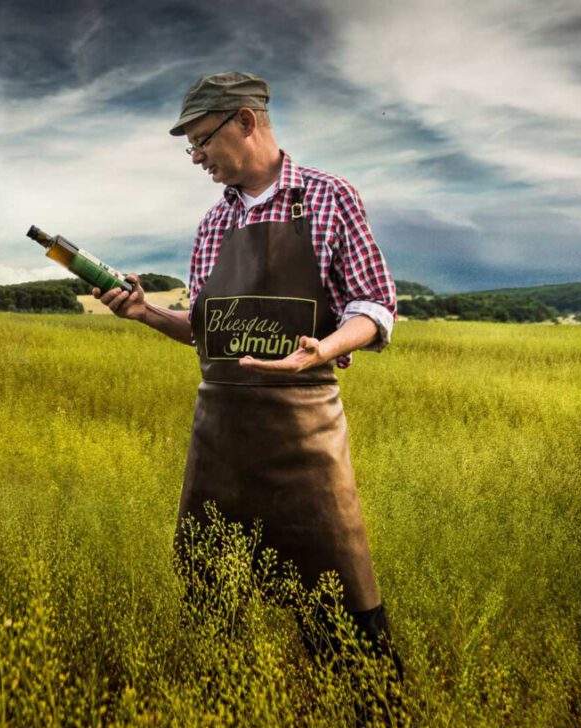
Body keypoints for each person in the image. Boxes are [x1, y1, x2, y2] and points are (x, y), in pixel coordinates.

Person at [97, 73, 399, 662]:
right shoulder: (213, 224)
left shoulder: (329, 196)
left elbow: (374, 307)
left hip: (305, 444)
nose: (196, 157)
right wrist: (145, 313)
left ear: (245, 121)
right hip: (220, 448)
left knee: (346, 623)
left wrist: (325, 349)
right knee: (213, 615)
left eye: (201, 141)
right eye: (190, 147)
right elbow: (207, 332)